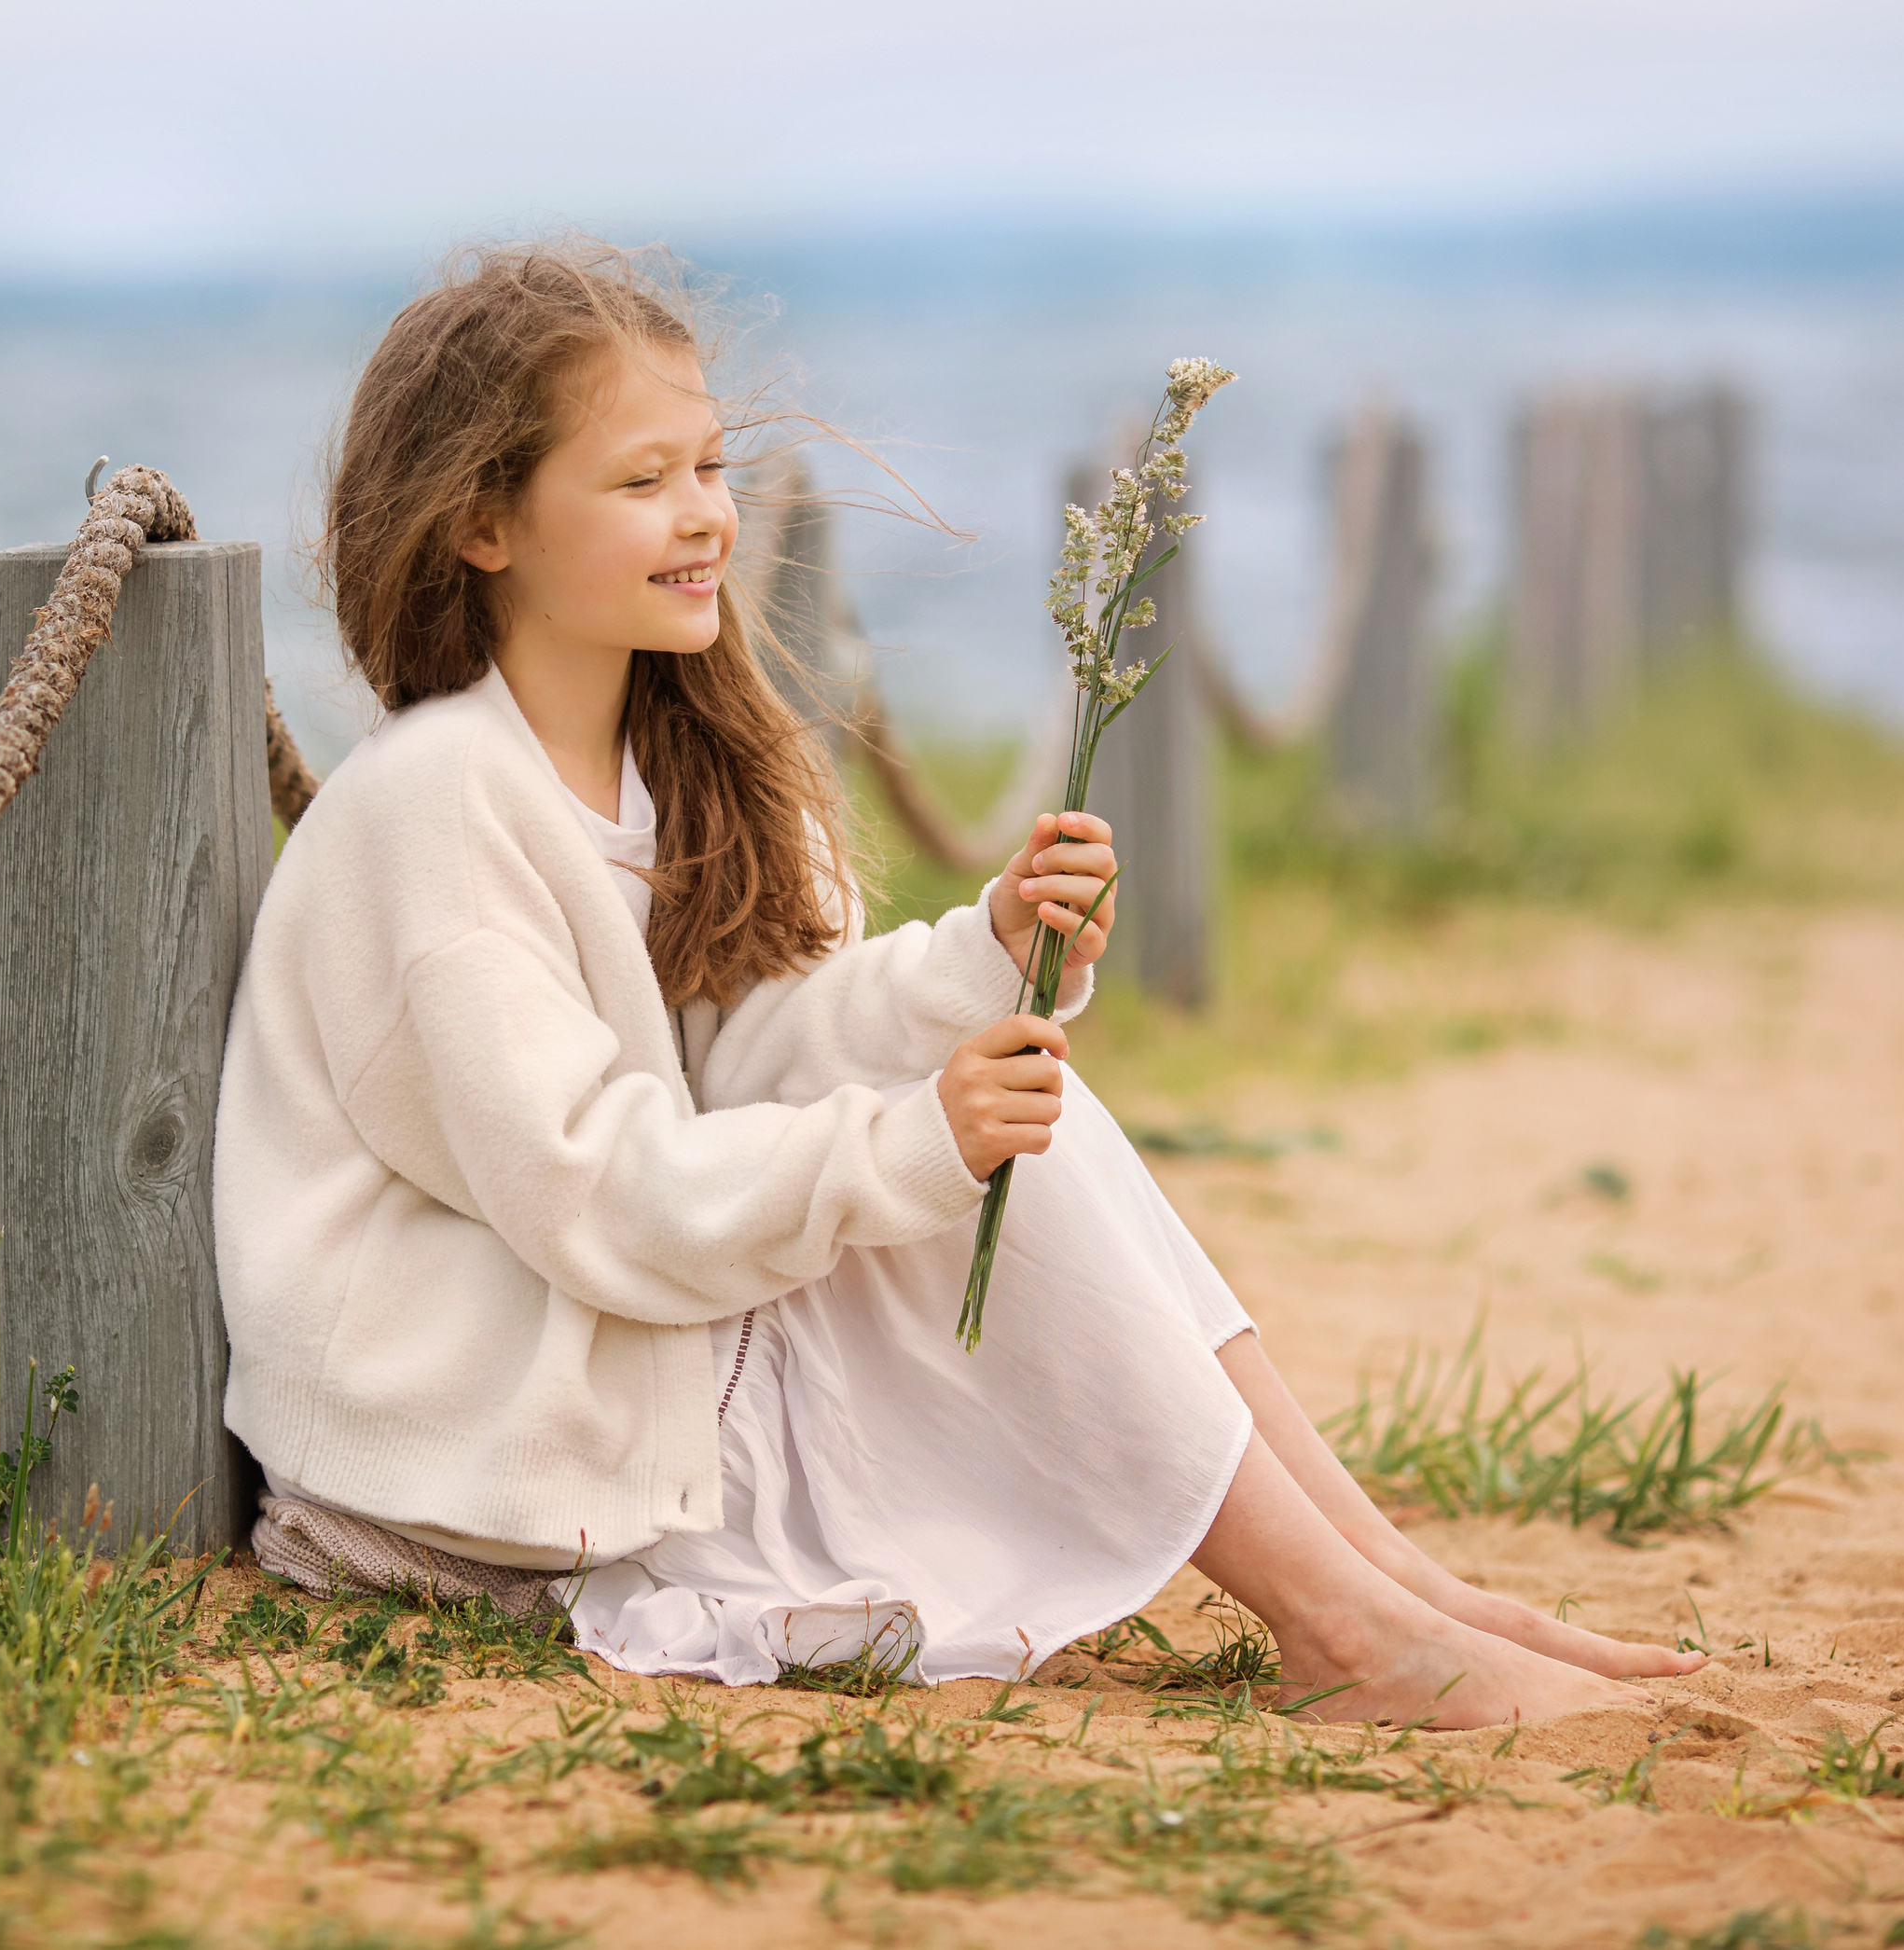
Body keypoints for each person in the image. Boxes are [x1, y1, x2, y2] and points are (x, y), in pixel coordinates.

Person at [212, 241, 1704, 1729]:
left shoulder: (670, 757)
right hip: (478, 1435)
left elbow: (750, 1050)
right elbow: (599, 1191)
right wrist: (922, 1139)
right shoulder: (435, 811)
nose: (704, 517)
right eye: (641, 480)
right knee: (975, 1146)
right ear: (483, 523)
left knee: (1020, 1097)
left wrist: (981, 958)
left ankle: (1379, 1580)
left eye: (713, 468)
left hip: (604, 1337)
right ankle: (1342, 1619)